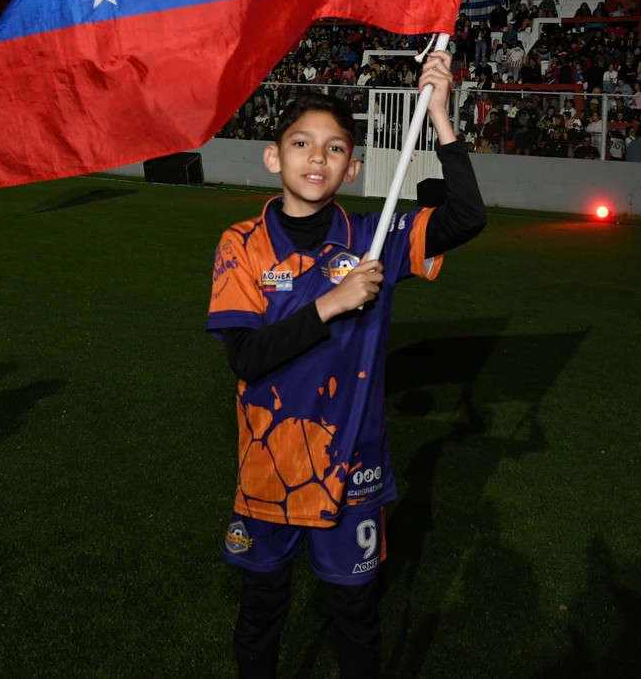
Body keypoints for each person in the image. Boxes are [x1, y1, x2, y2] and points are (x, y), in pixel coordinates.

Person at [206, 50, 486, 679]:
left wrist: (441, 119)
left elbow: (467, 217)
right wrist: (332, 302)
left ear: (353, 167)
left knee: (356, 618)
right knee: (260, 616)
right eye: (301, 143)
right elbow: (245, 357)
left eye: (335, 148)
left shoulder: (374, 235)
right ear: (273, 157)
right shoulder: (240, 245)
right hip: (269, 470)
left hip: (352, 469)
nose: (317, 157)